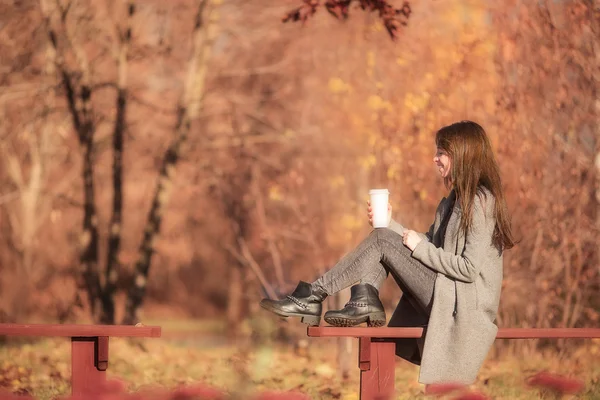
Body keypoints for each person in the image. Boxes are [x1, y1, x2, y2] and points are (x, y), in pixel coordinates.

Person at [260, 120, 515, 384]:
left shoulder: (481, 202)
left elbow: (468, 268)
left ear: (463, 154)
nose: (435, 158)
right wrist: (391, 225)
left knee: (382, 239)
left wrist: (411, 243)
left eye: (441, 152)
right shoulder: (453, 202)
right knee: (383, 237)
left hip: (463, 304)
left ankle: (315, 294)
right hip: (447, 292)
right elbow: (426, 244)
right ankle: (358, 300)